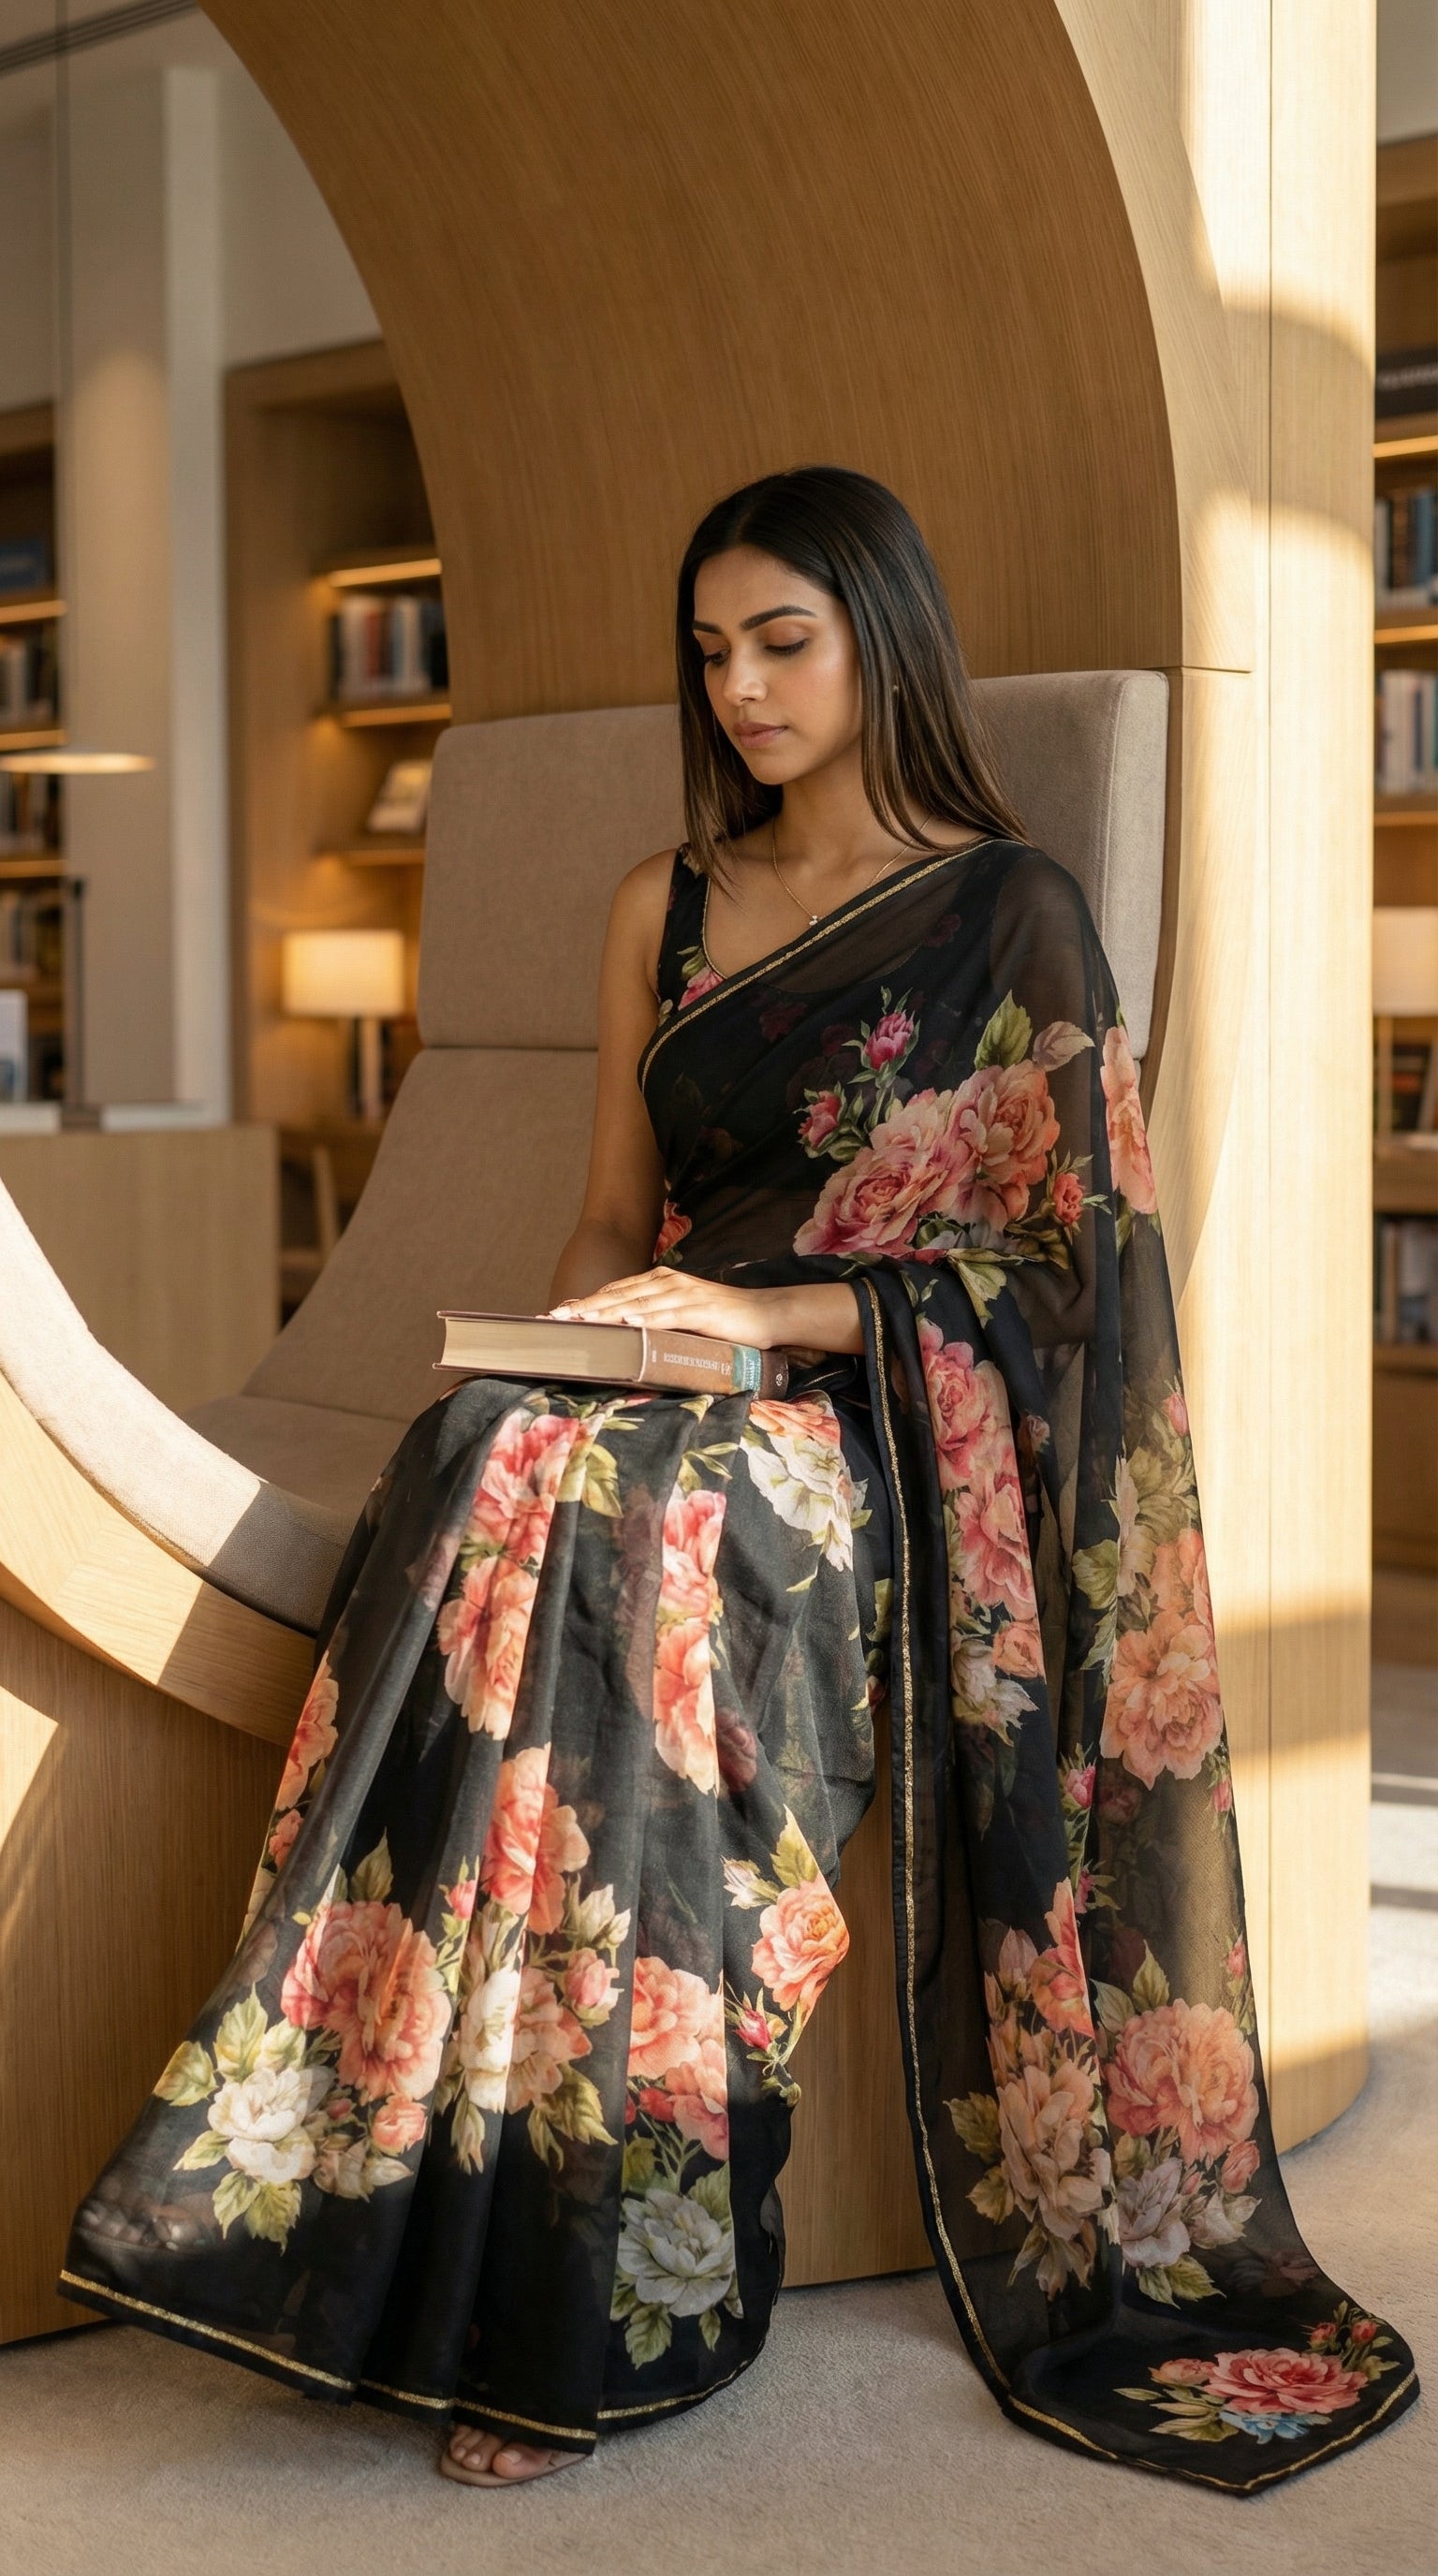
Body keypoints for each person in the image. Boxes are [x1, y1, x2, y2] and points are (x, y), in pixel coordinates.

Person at [62, 468, 1416, 2493]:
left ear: (883, 638)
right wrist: (576, 1356)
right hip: (668, 1365)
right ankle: (383, 2201)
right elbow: (613, 1212)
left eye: (785, 640)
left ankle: (596, 2276)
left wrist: (778, 1324)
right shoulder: (661, 904)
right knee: (494, 1459)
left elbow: (1068, 1285)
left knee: (653, 1533)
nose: (744, 686)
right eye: (713, 651)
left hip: (869, 1425)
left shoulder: (1014, 910)